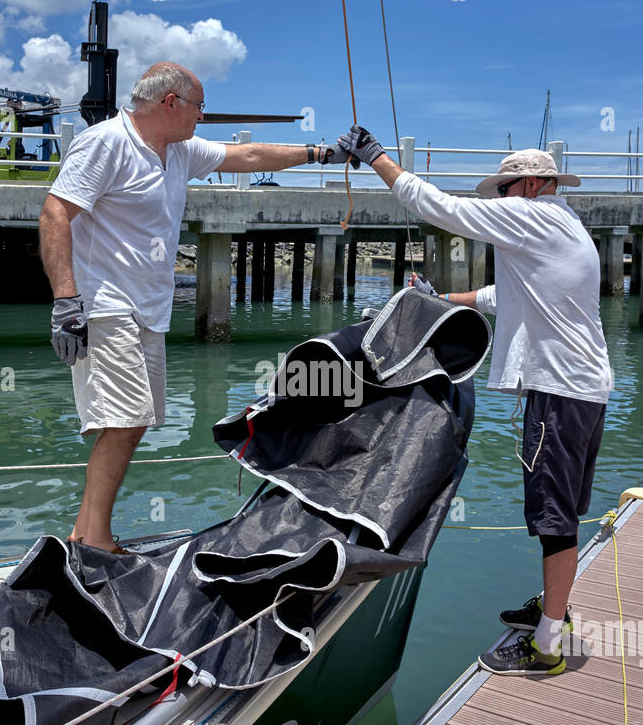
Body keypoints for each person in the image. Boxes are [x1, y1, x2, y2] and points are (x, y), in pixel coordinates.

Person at [40, 62, 355, 552]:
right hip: (104, 304)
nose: (203, 116)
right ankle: (96, 541)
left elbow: (249, 154)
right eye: (199, 106)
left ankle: (85, 533)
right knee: (125, 418)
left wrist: (320, 154)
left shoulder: (179, 151)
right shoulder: (106, 143)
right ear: (170, 102)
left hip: (148, 310)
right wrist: (66, 301)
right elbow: (55, 211)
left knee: (136, 420)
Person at [337, 127, 612, 676]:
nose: (499, 201)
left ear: (529, 186)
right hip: (584, 390)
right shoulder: (564, 227)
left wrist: (376, 158)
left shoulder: (533, 215)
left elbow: (441, 207)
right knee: (563, 511)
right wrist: (437, 298)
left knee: (554, 519)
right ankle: (553, 607)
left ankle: (547, 646)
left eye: (504, 190)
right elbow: (498, 296)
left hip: (560, 392)